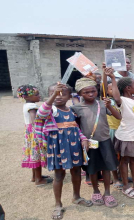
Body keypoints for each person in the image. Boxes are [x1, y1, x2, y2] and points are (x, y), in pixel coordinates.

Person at [37, 83, 92, 219]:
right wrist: (55, 93)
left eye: (62, 94)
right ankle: (58, 204)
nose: (58, 97)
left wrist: (83, 139)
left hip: (74, 147)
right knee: (59, 175)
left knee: (76, 172)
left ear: (69, 96)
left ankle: (77, 197)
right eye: (54, 94)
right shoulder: (51, 110)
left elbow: (76, 128)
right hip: (57, 148)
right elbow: (41, 112)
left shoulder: (71, 111)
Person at [71, 78, 120, 208]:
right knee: (92, 169)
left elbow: (118, 116)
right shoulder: (76, 108)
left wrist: (110, 105)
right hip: (89, 144)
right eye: (86, 92)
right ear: (80, 93)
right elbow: (74, 126)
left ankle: (108, 193)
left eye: (93, 91)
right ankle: (96, 191)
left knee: (107, 167)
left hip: (104, 141)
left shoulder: (103, 104)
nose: (91, 94)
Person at [108, 75, 134, 199]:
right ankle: (126, 185)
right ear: (128, 88)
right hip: (126, 136)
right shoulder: (122, 100)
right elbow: (115, 96)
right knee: (124, 160)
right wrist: (113, 79)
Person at [17, 84, 53, 186]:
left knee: (33, 155)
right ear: (26, 97)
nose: (39, 96)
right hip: (35, 134)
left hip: (29, 134)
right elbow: (34, 121)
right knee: (37, 155)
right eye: (36, 94)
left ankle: (34, 176)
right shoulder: (32, 106)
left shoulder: (26, 105)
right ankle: (39, 179)